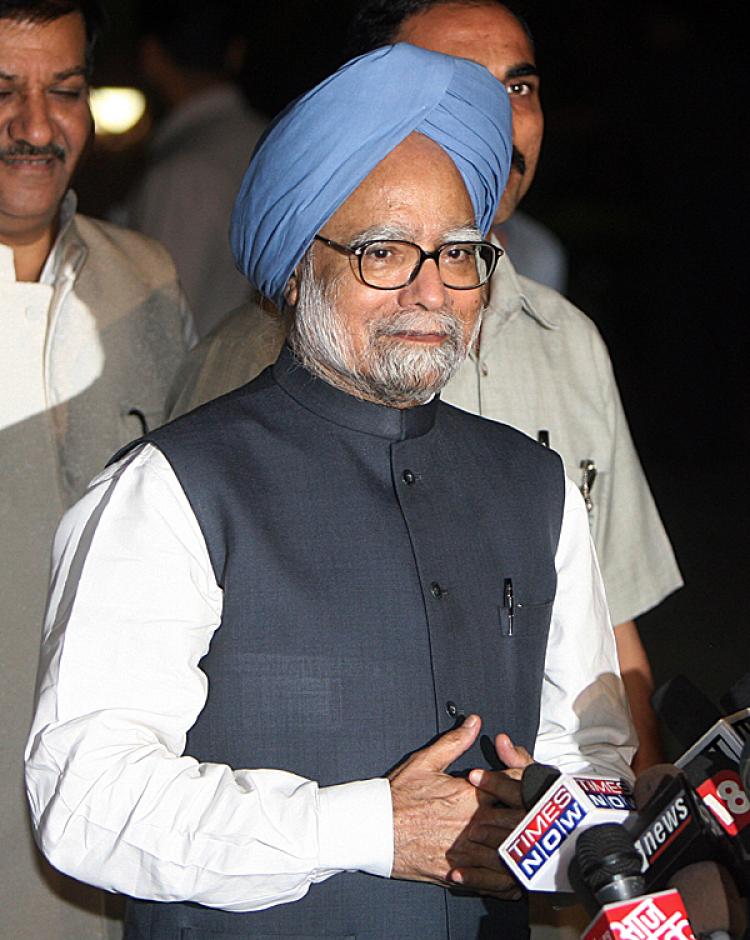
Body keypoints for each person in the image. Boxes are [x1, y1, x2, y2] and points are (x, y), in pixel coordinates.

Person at [26, 43, 635, 940]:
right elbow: (85, 796)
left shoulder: (536, 486)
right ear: (296, 268)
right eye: (384, 251)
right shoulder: (173, 489)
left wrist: (550, 815)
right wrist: (368, 828)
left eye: (460, 253)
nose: (430, 290)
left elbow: (594, 752)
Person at [171, 0, 682, 774]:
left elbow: (612, 632)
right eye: (457, 92)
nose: (500, 125)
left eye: (518, 89)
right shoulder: (250, 366)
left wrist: (634, 831)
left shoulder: (568, 341)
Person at [0, 1, 193, 937]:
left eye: (64, 90)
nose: (34, 127)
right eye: (0, 92)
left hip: (110, 834)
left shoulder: (146, 282)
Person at [117, 0, 266, 338]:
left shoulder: (182, 173)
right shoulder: (269, 142)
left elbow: (160, 324)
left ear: (151, 56)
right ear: (235, 51)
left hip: (196, 383)